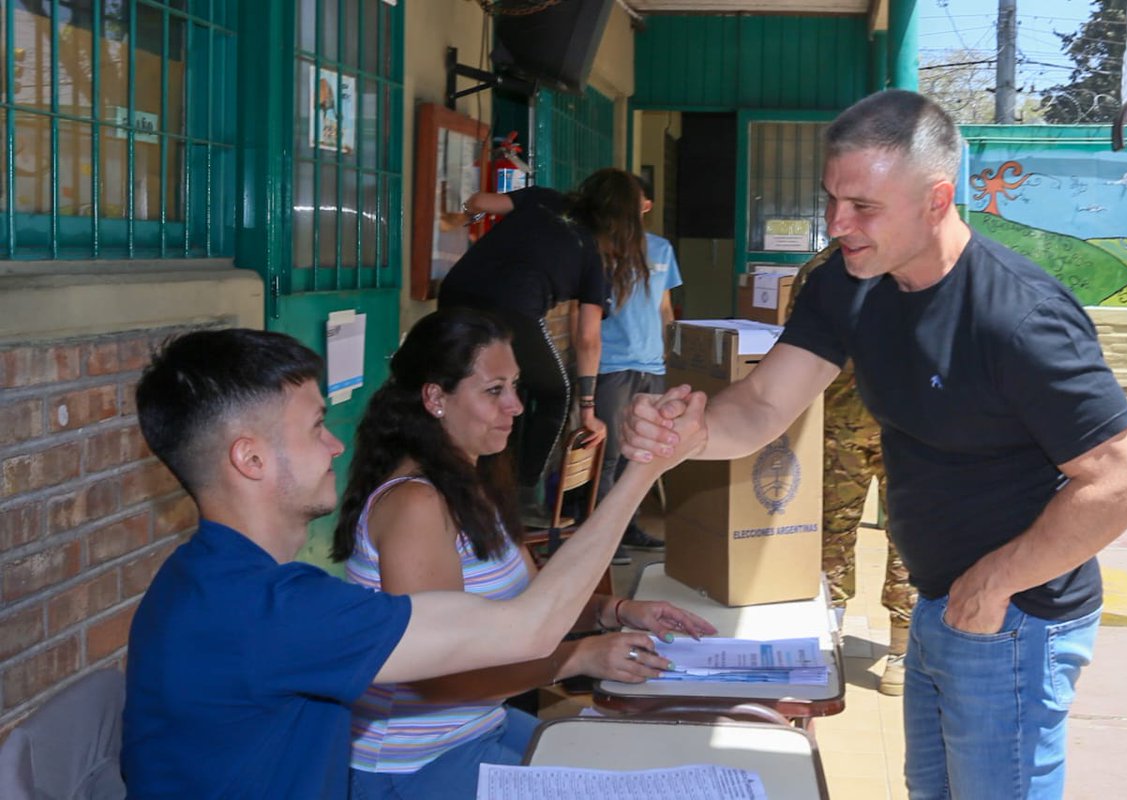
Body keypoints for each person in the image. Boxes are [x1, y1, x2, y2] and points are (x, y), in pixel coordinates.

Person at [622, 89, 1127, 799]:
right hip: (943, 597)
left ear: (937, 201)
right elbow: (758, 405)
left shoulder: (1017, 316)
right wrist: (687, 433)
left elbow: (1126, 484)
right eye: (832, 199)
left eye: (863, 208)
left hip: (1018, 615)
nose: (838, 224)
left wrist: (992, 584)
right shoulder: (847, 283)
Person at [121, 327, 706, 798]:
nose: (336, 446)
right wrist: (646, 468)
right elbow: (528, 630)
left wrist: (613, 611)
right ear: (250, 459)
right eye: (317, 427)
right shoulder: (276, 611)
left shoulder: (201, 578)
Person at [329, 308, 715, 799]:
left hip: (478, 727)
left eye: (514, 386)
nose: (515, 405)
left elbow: (531, 602)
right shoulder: (414, 505)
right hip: (414, 763)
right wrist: (577, 658)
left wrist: (616, 611)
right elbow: (438, 677)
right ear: (435, 398)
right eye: (494, 390)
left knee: (625, 768)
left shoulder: (470, 481)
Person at [438, 168, 648, 514]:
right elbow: (587, 338)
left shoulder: (544, 198)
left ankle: (481, 475)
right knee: (556, 393)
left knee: (496, 389)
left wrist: (467, 215)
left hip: (454, 295)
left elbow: (479, 201)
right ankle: (521, 498)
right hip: (511, 312)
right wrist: (589, 410)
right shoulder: (593, 255)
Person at [786, 245, 917, 696]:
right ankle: (836, 637)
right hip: (850, 428)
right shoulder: (822, 271)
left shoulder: (917, 260)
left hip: (901, 430)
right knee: (835, 535)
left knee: (902, 535)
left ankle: (901, 646)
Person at [595, 175, 682, 565]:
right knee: (609, 454)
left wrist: (670, 355)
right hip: (612, 365)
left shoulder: (662, 249)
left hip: (653, 365)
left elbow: (665, 308)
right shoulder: (603, 250)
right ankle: (601, 538)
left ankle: (629, 528)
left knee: (640, 454)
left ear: (646, 206)